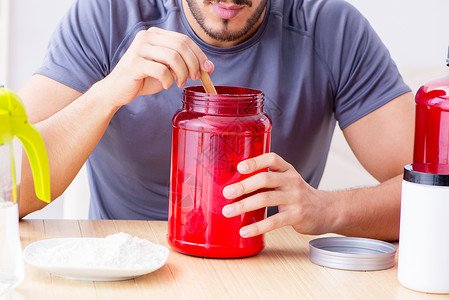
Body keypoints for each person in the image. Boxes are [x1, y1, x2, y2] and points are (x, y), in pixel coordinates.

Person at [18, 0, 414, 241]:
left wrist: (327, 209)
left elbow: (438, 197)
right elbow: (9, 189)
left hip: (272, 269)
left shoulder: (331, 29)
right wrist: (107, 93)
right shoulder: (107, 17)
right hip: (128, 268)